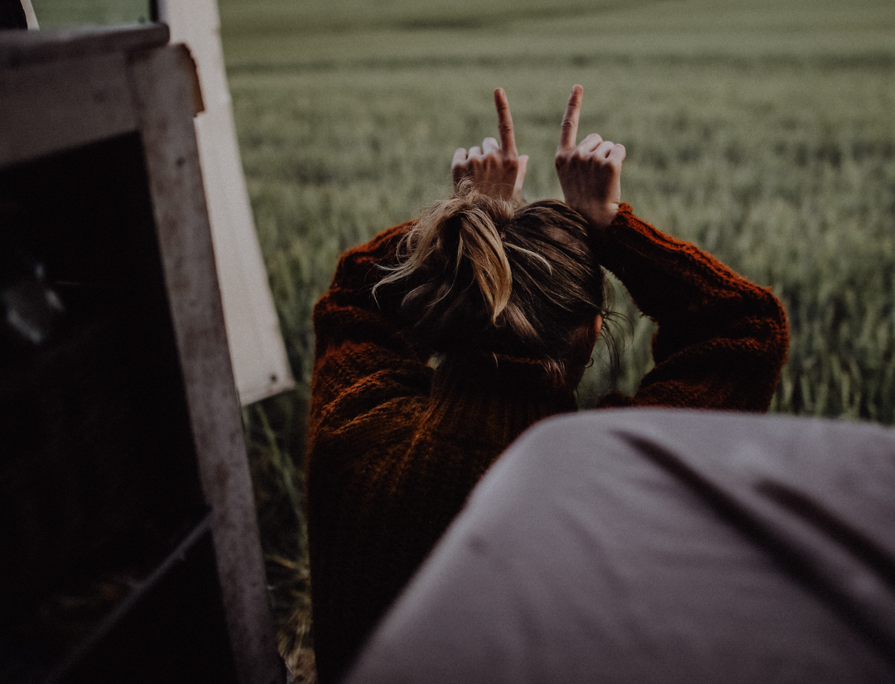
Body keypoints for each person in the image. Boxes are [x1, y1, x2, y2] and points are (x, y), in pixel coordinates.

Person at [306, 85, 789, 681]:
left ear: (446, 304)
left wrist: (474, 213)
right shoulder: (623, 480)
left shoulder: (356, 436)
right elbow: (748, 326)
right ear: (591, 331)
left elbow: (355, 293)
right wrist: (610, 226)